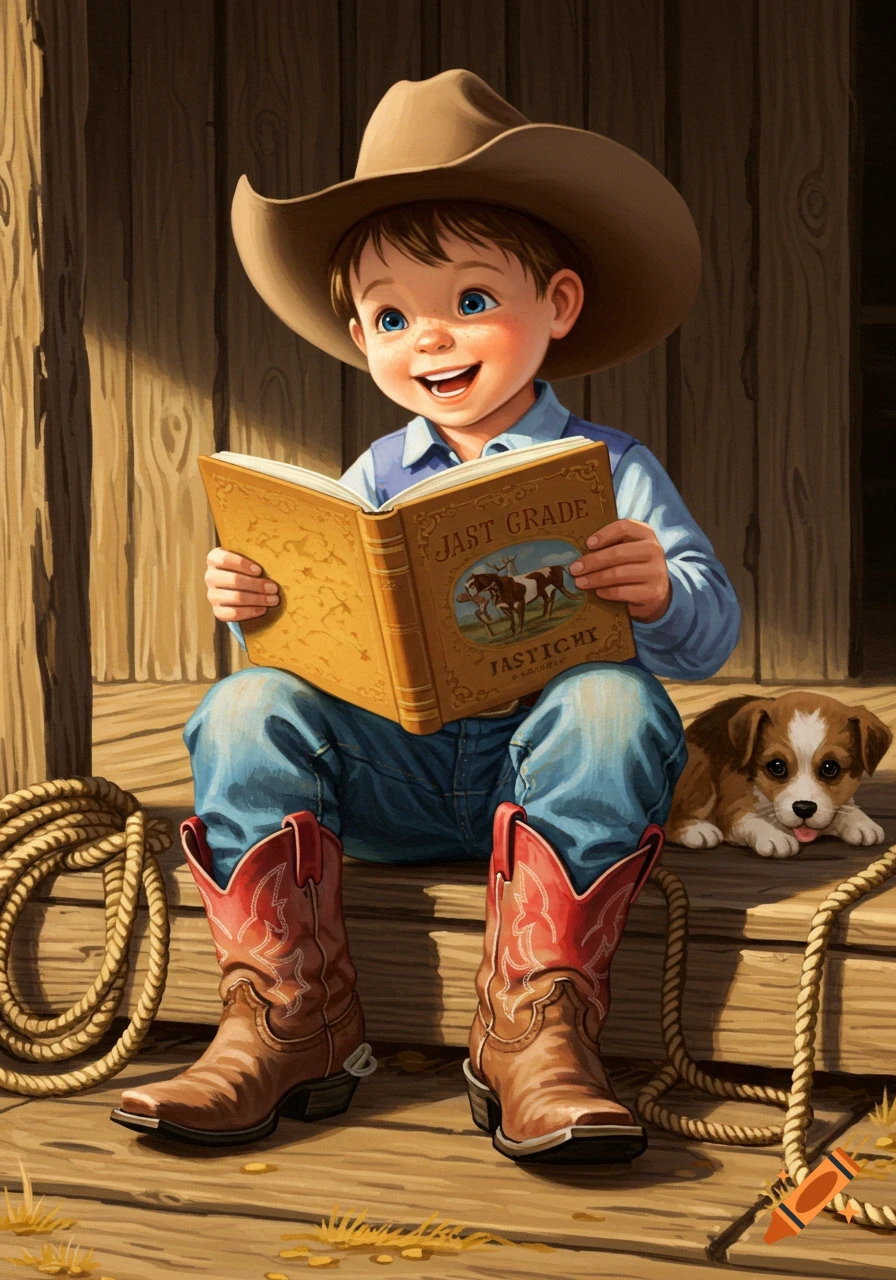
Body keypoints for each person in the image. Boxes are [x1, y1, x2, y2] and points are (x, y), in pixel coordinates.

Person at [111, 70, 739, 1164]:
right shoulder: (369, 474)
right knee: (243, 701)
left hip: (535, 775)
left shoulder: (609, 471)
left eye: (472, 302)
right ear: (360, 335)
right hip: (388, 776)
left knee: (611, 702)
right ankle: (283, 1018)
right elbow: (312, 650)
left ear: (557, 305)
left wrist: (657, 588)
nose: (432, 340)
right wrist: (258, 609)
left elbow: (708, 633)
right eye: (394, 315)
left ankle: (533, 1027)